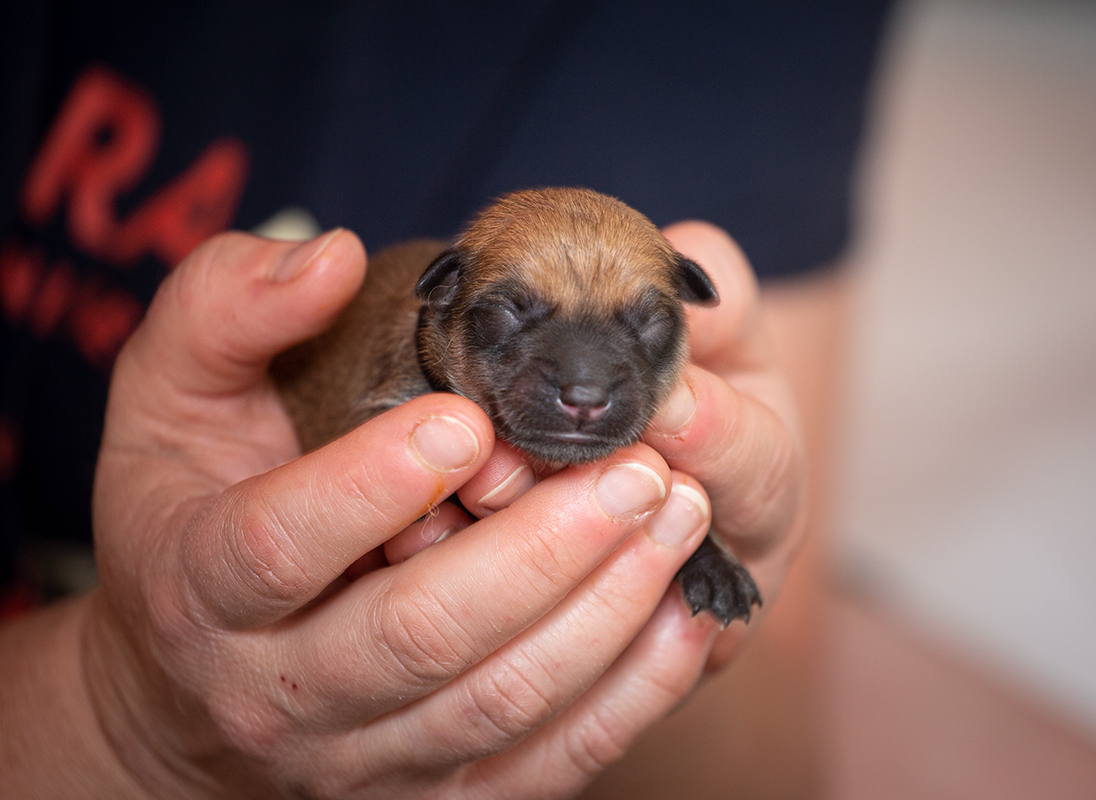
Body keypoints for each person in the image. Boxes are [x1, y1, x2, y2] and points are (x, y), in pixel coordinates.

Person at [0, 2, 890, 796]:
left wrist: (683, 585)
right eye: (512, 317)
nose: (585, 384)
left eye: (643, 328)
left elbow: (781, 751)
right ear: (445, 301)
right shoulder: (404, 387)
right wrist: (113, 720)